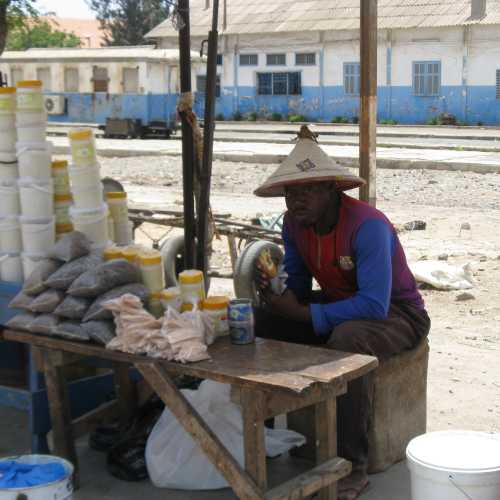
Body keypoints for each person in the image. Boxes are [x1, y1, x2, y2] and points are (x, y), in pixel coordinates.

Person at [254, 125, 430, 500]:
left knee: (348, 341)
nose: (296, 200)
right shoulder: (294, 224)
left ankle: (353, 465)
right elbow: (299, 284)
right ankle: (262, 434)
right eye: (291, 192)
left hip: (397, 314)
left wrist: (303, 316)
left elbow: (373, 304)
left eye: (307, 190)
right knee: (263, 319)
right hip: (339, 304)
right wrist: (277, 290)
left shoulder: (367, 226)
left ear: (331, 189)